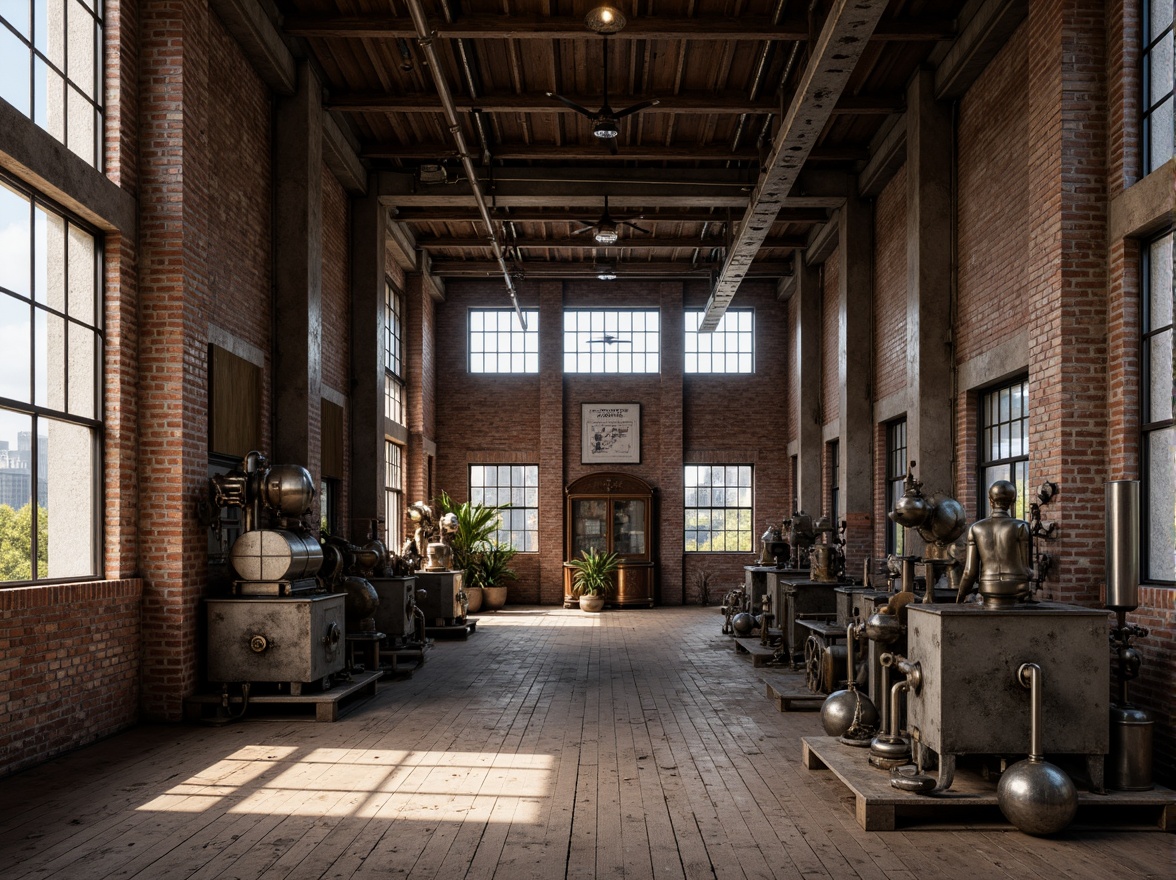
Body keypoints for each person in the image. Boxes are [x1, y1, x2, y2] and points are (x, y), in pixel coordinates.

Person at [955, 480, 1032, 608]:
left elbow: (970, 572)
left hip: (988, 587)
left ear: (990, 500)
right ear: (1013, 502)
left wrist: (960, 597)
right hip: (1016, 588)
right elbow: (1027, 570)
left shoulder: (976, 528)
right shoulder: (1022, 526)